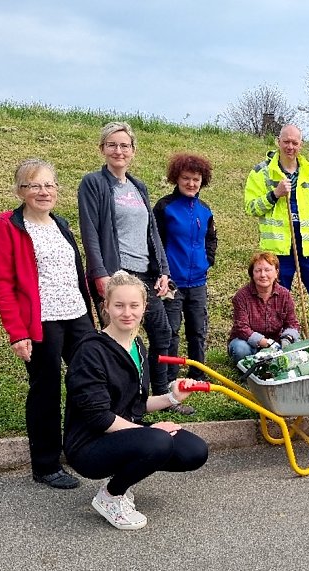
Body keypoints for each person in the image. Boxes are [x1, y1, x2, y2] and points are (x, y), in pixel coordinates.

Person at [64, 271, 208, 531]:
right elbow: (100, 418)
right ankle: (110, 496)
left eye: (134, 306)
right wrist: (150, 431)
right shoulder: (90, 351)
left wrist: (172, 397)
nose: (127, 313)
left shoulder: (138, 346)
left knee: (194, 451)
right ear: (106, 306)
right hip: (88, 445)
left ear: (144, 307)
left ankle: (122, 479)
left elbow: (137, 405)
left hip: (121, 434)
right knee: (159, 440)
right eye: (119, 305)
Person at [0, 158, 94, 490]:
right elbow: (2, 283)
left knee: (86, 382)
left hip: (76, 315)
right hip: (41, 321)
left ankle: (80, 449)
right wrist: (17, 332)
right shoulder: (8, 225)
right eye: (34, 185)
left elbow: (76, 275)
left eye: (49, 184)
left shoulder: (61, 223)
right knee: (46, 389)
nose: (43, 191)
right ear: (20, 190)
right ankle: (46, 464)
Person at [77, 121, 193, 414]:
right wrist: (101, 275)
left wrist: (163, 271)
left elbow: (152, 231)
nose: (119, 150)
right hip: (116, 274)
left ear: (133, 150)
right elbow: (90, 231)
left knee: (162, 333)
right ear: (102, 149)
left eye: (124, 145)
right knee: (115, 339)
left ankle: (163, 396)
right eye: (112, 145)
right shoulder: (94, 183)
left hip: (144, 274)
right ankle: (116, 401)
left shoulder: (138, 186)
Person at [244, 124, 309, 337]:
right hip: (278, 247)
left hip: (308, 245)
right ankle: (280, 338)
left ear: (300, 145)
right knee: (276, 294)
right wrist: (274, 194)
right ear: (278, 142)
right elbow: (251, 207)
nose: (290, 146)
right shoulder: (261, 172)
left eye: (295, 143)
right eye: (286, 141)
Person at [153, 153, 217, 382]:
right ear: (176, 179)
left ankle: (198, 374)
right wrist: (162, 270)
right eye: (186, 178)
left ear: (202, 181)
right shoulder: (164, 207)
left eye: (196, 179)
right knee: (171, 331)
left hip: (198, 281)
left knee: (197, 330)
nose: (191, 183)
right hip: (171, 282)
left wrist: (207, 260)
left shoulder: (205, 210)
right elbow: (155, 241)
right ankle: (170, 378)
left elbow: (211, 238)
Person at [228, 252, 301, 364]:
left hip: (276, 343)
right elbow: (242, 328)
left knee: (296, 347)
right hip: (248, 343)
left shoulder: (285, 294)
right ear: (252, 274)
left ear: (276, 273)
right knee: (240, 349)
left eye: (267, 270)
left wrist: (287, 340)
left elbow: (292, 324)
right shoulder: (241, 297)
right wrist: (265, 342)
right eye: (258, 271)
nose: (263, 275)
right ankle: (250, 369)